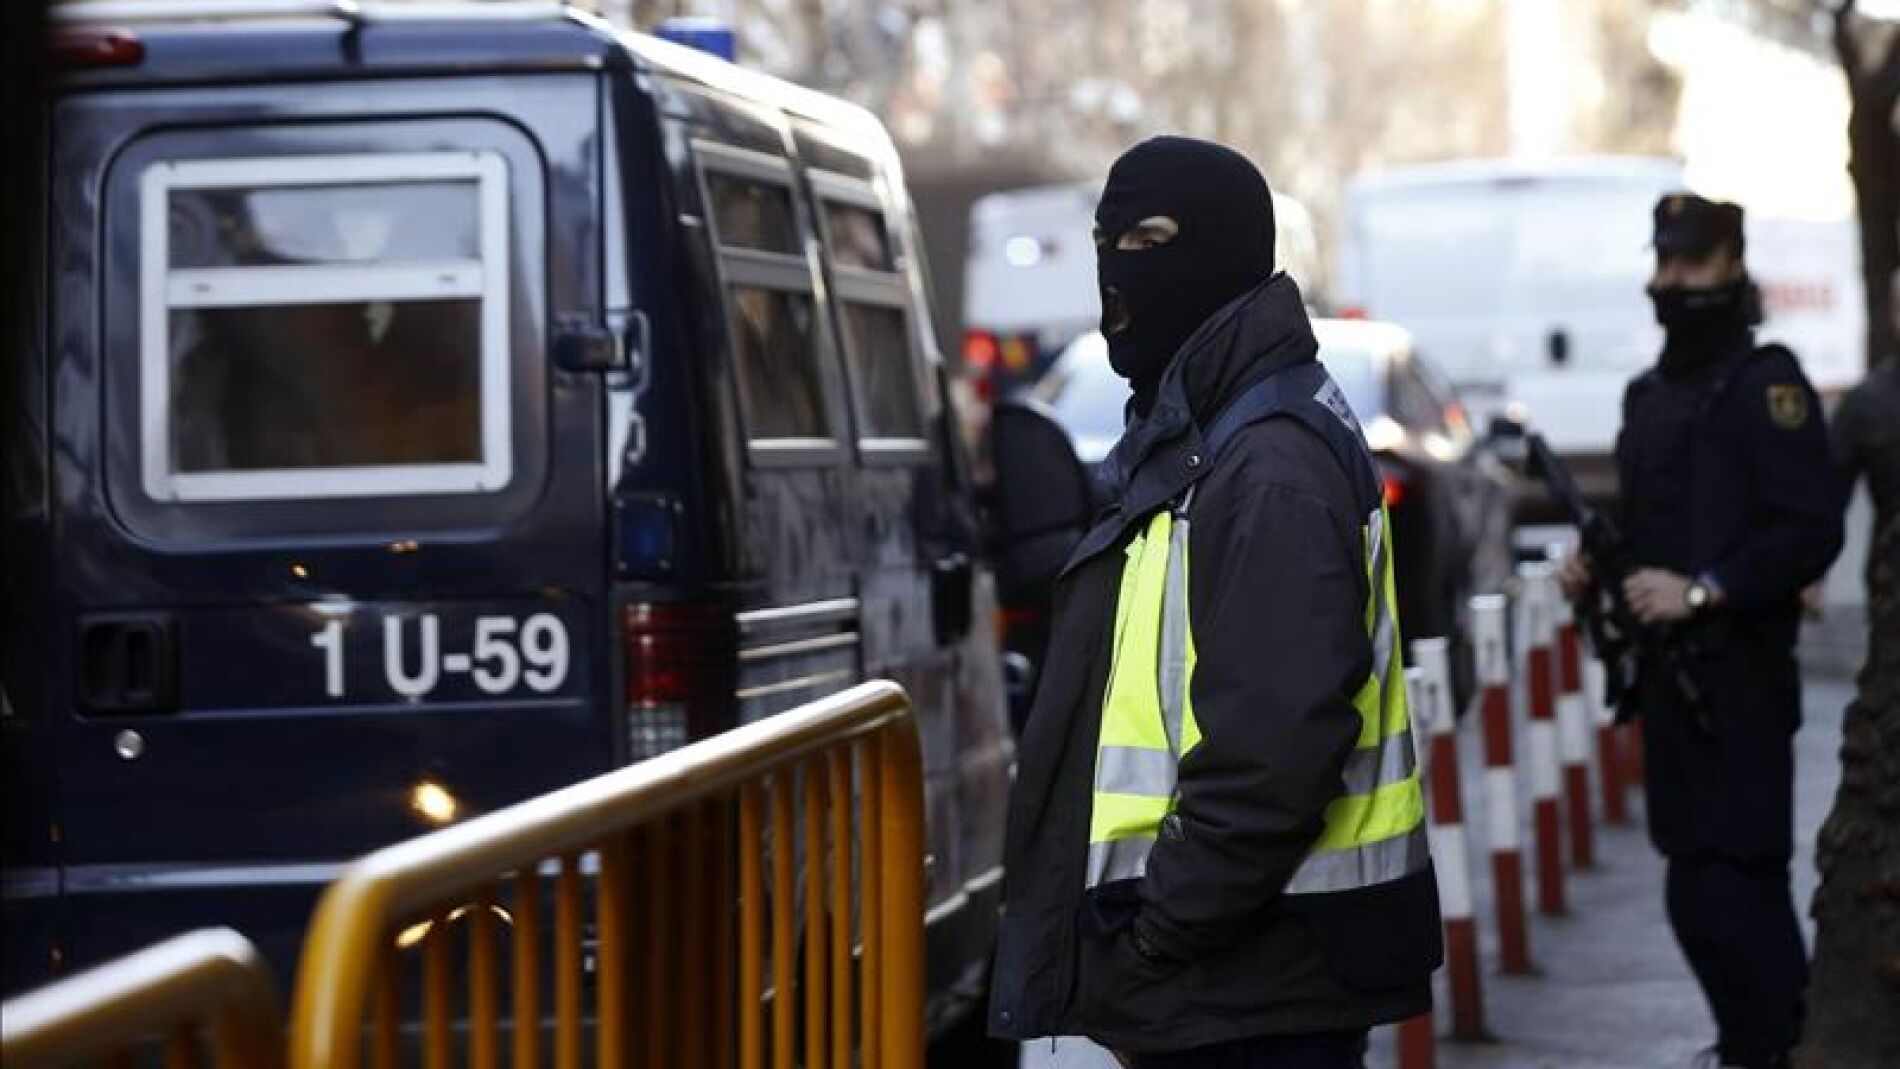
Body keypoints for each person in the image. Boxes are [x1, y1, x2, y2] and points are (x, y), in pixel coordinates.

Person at [987, 136, 1440, 1069]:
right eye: (1107, 241)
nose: (1118, 267)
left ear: (1227, 250)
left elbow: (1275, 743)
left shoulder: (1265, 461)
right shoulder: (1206, 435)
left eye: (1148, 239)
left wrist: (1162, 928)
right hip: (1233, 982)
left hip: (1252, 985)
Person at [1557, 193, 1843, 1069]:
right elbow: (1648, 526)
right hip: (1668, 685)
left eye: (1690, 265)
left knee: (1741, 890)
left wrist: (1709, 591)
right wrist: (1594, 572)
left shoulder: (1769, 385)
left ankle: (1782, 1049)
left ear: (1731, 267)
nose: (1670, 281)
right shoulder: (1649, 397)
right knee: (1690, 887)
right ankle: (1747, 1044)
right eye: (1664, 263)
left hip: (1743, 679)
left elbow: (1808, 528)